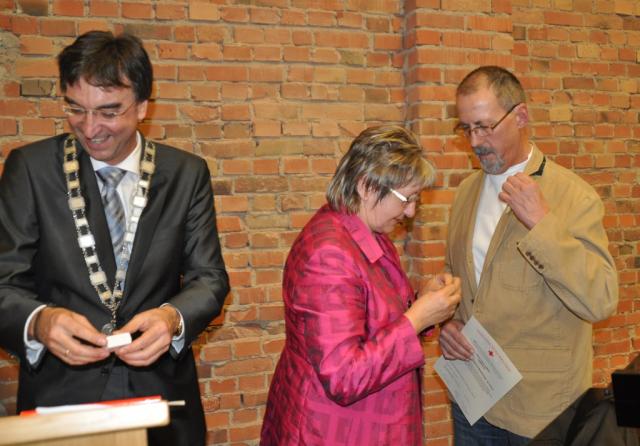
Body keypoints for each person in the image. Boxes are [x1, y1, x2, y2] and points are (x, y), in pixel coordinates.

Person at [0, 31, 229, 445]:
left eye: (108, 112)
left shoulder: (186, 174)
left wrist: (172, 318)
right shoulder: (30, 169)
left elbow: (209, 278)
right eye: (76, 109)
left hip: (162, 398)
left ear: (142, 106)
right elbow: (4, 281)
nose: (90, 129)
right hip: (61, 400)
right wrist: (40, 322)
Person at [439, 65, 619, 444]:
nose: (474, 141)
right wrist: (450, 324)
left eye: (484, 126)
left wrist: (542, 223)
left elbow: (601, 298)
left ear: (520, 116)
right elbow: (461, 280)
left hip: (541, 411)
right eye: (466, 128)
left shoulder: (574, 196)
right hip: (473, 400)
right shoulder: (465, 193)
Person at [260, 125, 462, 445]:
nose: (410, 211)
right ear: (367, 186)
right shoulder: (329, 254)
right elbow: (344, 375)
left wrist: (421, 302)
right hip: (334, 431)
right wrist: (417, 319)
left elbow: (370, 317)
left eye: (416, 199)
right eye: (406, 199)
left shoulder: (367, 233)